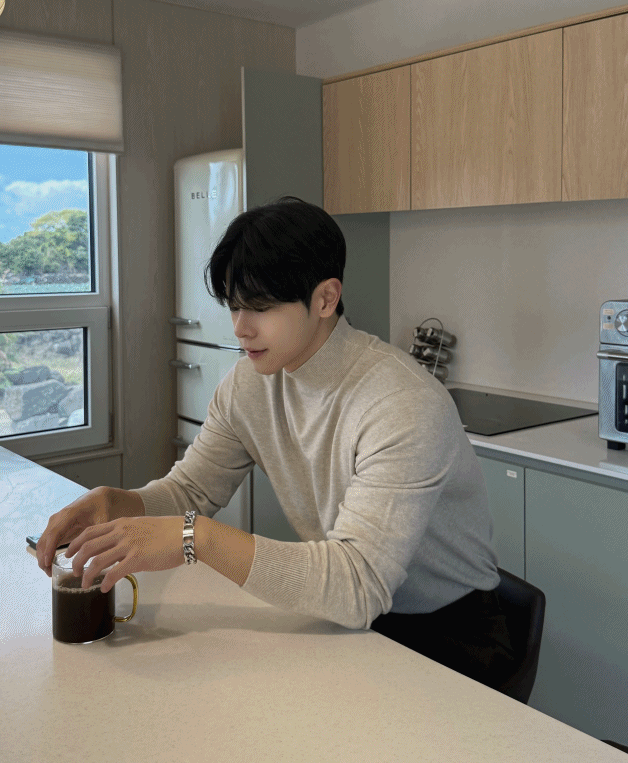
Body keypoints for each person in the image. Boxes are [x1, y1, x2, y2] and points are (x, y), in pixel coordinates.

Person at [36, 196, 514, 691]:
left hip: (450, 638)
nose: (240, 327)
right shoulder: (251, 384)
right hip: (349, 622)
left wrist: (195, 538)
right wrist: (118, 503)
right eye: (234, 305)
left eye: (260, 307)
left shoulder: (401, 403)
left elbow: (357, 585)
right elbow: (190, 491)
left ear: (325, 299)